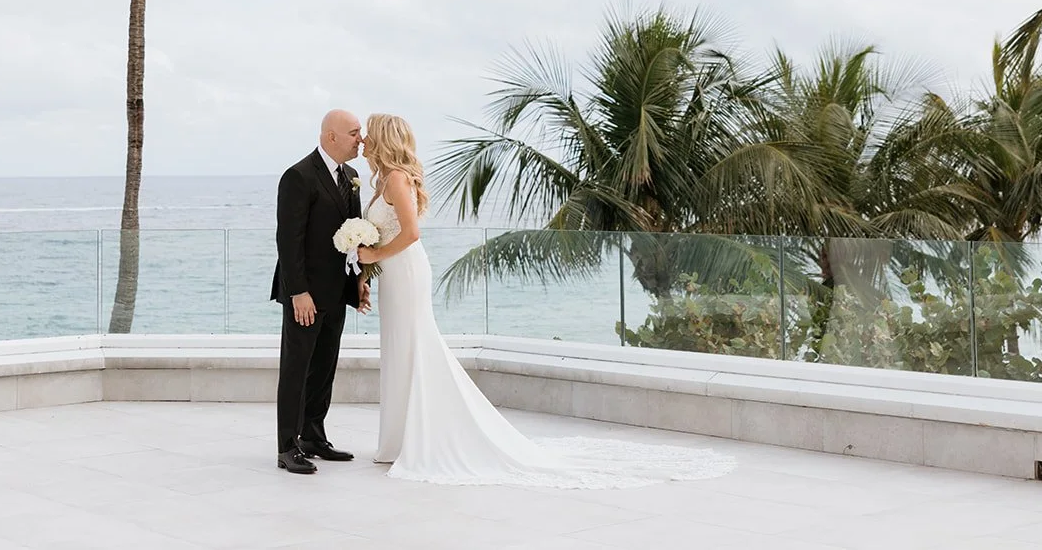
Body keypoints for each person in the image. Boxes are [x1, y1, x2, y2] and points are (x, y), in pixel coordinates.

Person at [356, 112, 735, 488]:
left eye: (368, 133)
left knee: (414, 347)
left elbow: (411, 234)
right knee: (400, 348)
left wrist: (373, 256)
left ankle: (420, 436)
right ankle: (400, 437)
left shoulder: (396, 178)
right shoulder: (382, 182)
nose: (364, 139)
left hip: (405, 271)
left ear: (383, 138)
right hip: (393, 275)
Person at [270, 109, 371, 475]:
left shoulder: (353, 176)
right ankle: (287, 446)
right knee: (297, 368)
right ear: (330, 136)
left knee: (325, 367)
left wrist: (360, 280)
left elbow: (355, 235)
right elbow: (288, 240)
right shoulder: (298, 176)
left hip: (336, 290)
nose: (361, 139)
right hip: (305, 296)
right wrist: (298, 292)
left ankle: (314, 435)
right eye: (354, 133)